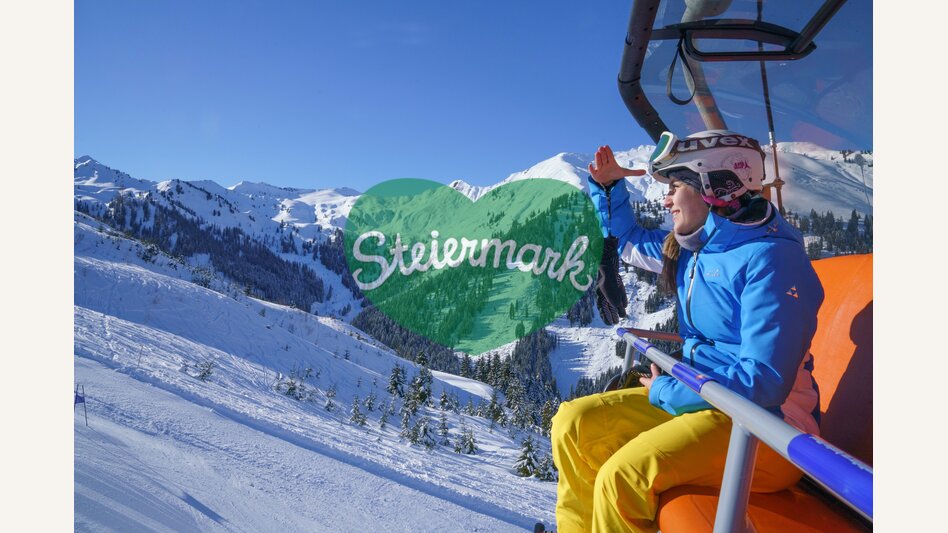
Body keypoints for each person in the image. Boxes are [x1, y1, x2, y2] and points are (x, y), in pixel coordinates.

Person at [551, 129, 824, 533]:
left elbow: (764, 382)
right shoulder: (694, 249)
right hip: (708, 400)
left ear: (714, 186)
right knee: (573, 424)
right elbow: (627, 241)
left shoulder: (772, 260)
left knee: (624, 476)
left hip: (769, 429)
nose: (665, 200)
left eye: (674, 187)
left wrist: (668, 390)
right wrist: (608, 188)